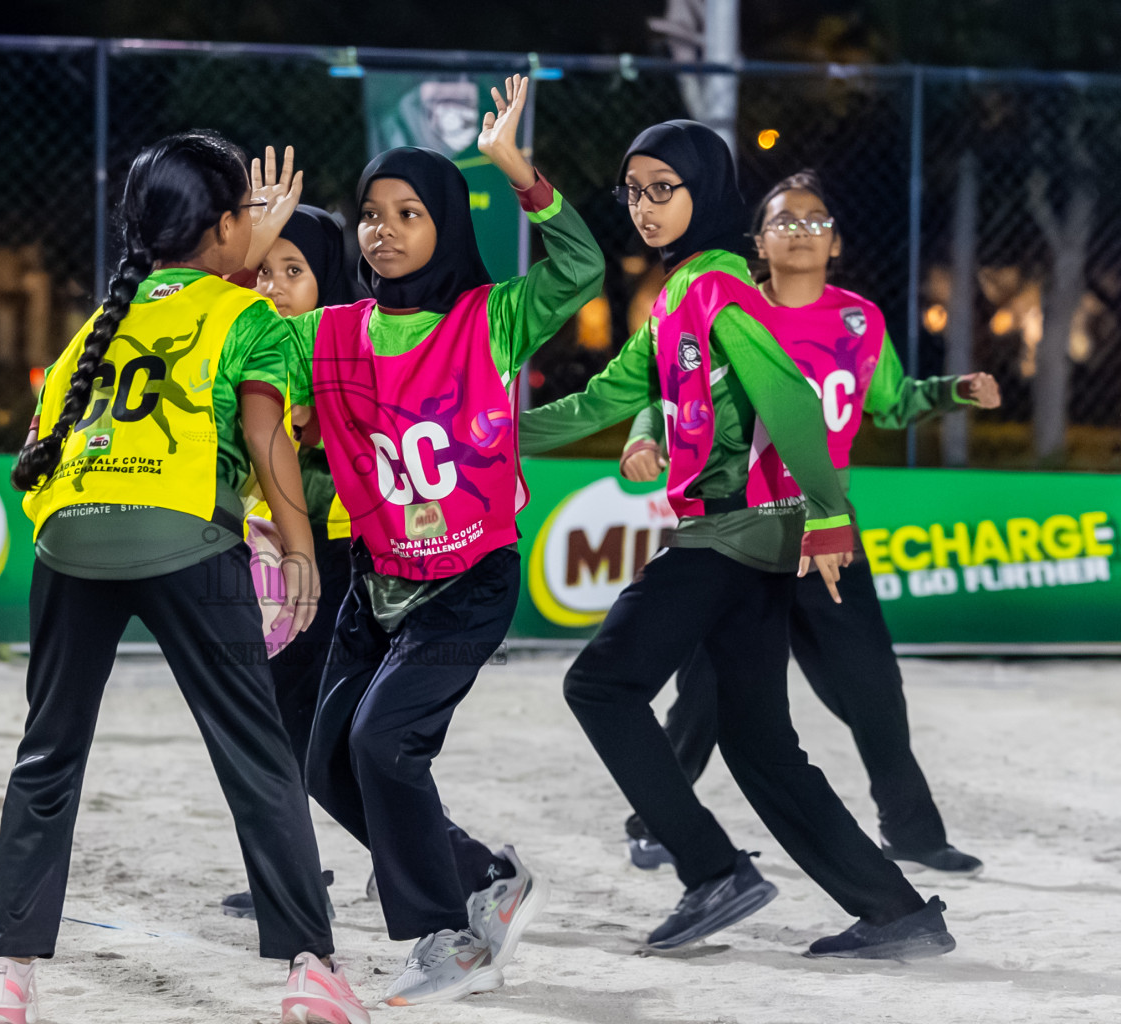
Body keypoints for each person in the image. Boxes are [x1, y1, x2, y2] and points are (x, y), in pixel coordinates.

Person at [520, 120, 956, 960]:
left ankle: (711, 870)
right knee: (759, 743)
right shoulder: (677, 294)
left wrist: (828, 514)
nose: (644, 206)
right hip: (743, 536)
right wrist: (485, 433)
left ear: (707, 192)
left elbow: (788, 395)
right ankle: (897, 913)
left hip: (730, 528)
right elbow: (601, 401)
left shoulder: (717, 282)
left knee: (600, 686)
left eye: (663, 189)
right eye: (633, 191)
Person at [0, 131, 370, 1024]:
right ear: (225, 227)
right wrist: (300, 548)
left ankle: (3, 974)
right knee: (258, 753)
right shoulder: (249, 318)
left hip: (68, 538)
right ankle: (311, 967)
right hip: (184, 536)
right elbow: (267, 438)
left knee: (48, 754)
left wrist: (241, 249)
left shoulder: (96, 325)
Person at [287, 76, 599, 1005]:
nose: (382, 230)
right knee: (326, 763)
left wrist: (520, 173)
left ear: (447, 225)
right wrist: (258, 250)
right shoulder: (332, 333)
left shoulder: (489, 319)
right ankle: (483, 878)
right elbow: (247, 341)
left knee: (385, 744)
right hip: (377, 582)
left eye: (408, 213)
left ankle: (449, 937)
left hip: (468, 580)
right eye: (370, 215)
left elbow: (581, 269)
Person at [618, 170, 997, 878]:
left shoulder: (860, 320)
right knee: (705, 694)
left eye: (815, 220)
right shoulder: (725, 307)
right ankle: (655, 824)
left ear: (837, 243)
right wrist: (645, 437)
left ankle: (912, 831)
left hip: (827, 532)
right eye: (783, 221)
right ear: (758, 243)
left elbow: (892, 402)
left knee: (874, 685)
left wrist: (954, 391)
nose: (800, 231)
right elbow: (667, 386)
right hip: (740, 528)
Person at [218, 205, 360, 922]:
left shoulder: (349, 352)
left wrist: (309, 425)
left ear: (327, 279)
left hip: (340, 555)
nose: (273, 286)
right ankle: (294, 874)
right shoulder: (255, 349)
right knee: (283, 718)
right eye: (264, 271)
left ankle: (429, 855)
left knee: (303, 723)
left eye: (293, 271)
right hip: (277, 554)